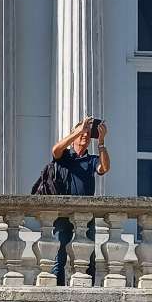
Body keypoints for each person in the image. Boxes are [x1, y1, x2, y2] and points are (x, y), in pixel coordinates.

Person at [49, 116, 110, 285]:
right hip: (62, 213)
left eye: (88, 134)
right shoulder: (65, 156)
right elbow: (55, 150)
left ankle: (88, 287)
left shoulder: (91, 160)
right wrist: (77, 131)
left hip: (85, 213)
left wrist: (101, 143)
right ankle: (58, 289)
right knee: (58, 254)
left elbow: (104, 168)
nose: (85, 136)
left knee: (88, 254)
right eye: (82, 133)